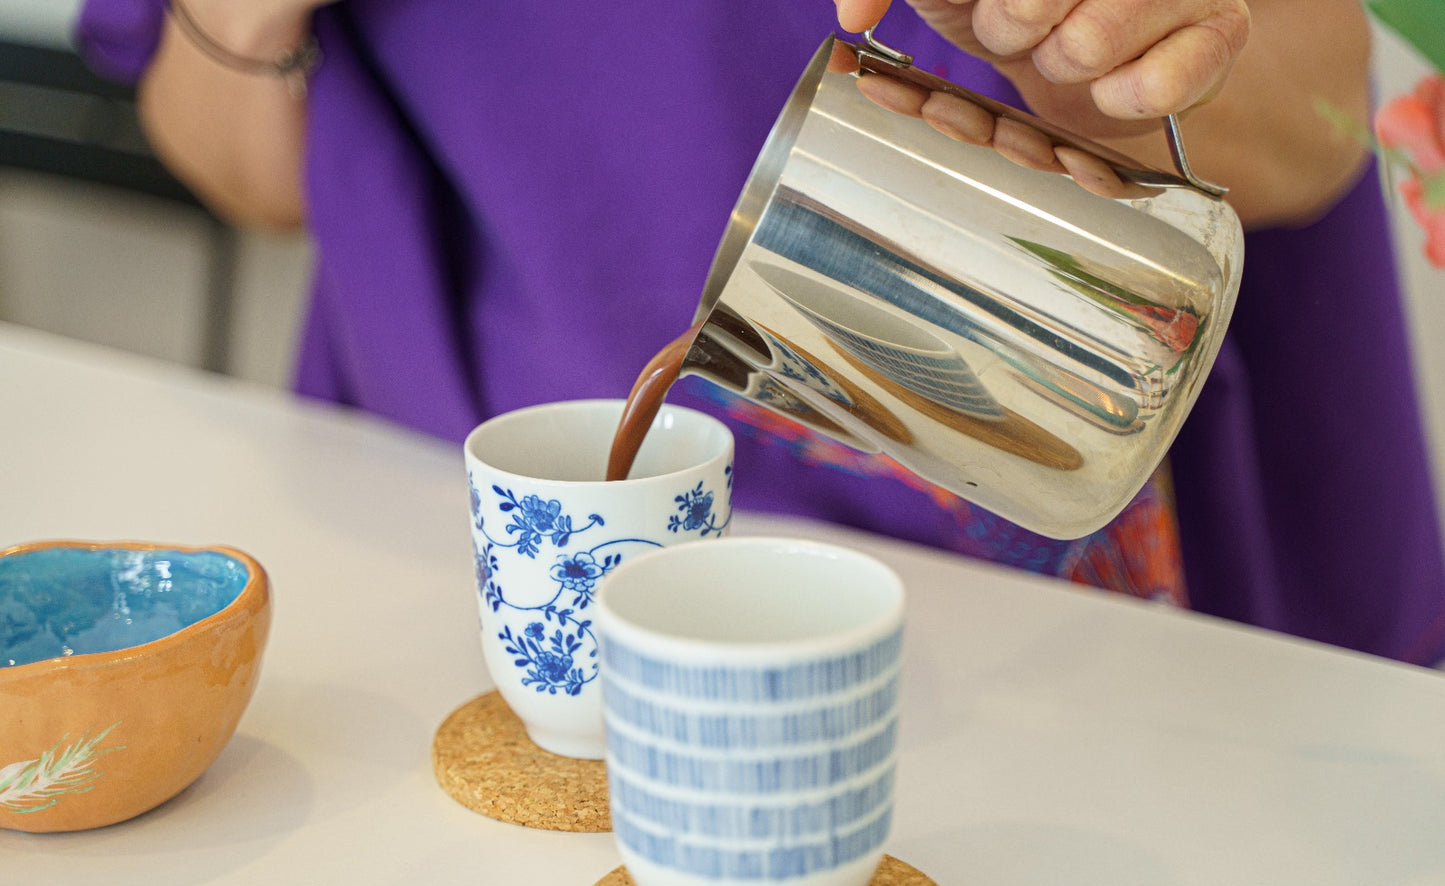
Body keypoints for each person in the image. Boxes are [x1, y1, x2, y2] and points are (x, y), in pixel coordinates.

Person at [76, 0, 1445, 665]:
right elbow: (241, 168)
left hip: (1105, 608)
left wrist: (1123, 69)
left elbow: (1316, 130)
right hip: (451, 552)